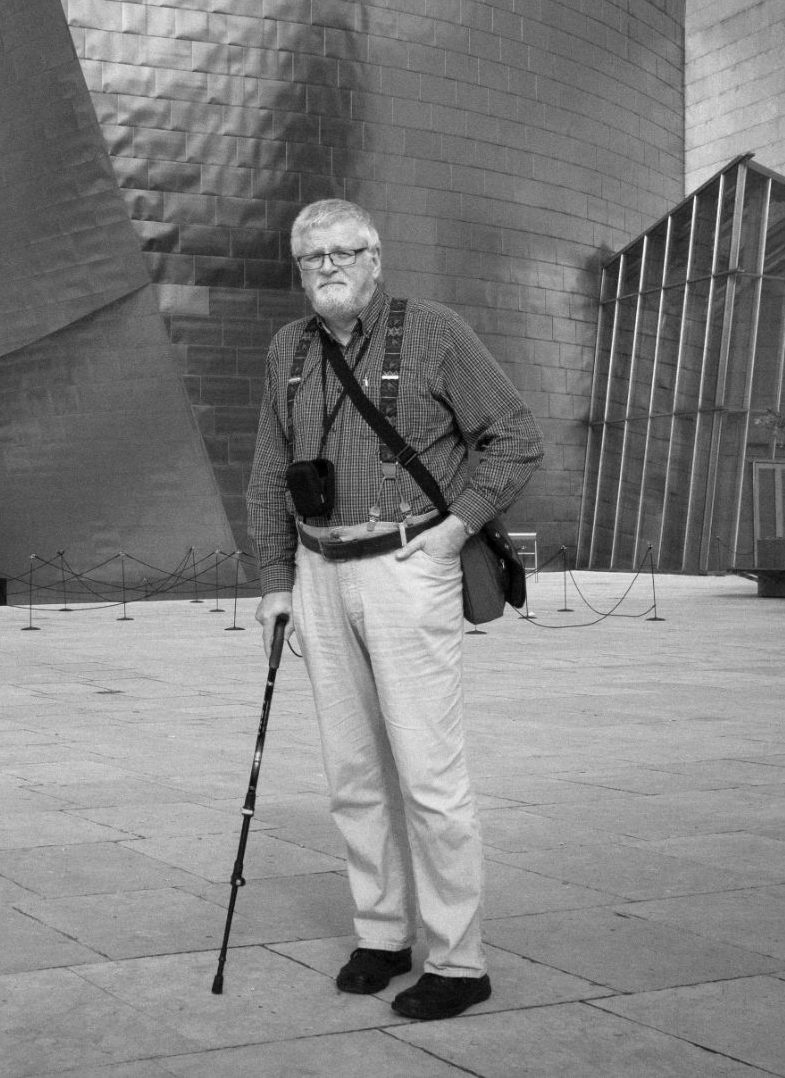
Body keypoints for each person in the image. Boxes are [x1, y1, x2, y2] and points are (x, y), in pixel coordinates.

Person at [246, 199, 542, 1022]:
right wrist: (275, 580)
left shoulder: (434, 331)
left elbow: (516, 435)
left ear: (376, 258)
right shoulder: (288, 349)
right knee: (352, 774)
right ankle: (382, 934)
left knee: (429, 774)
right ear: (300, 270)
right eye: (313, 258)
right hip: (317, 569)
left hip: (409, 565)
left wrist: (452, 533)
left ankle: (458, 958)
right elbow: (270, 470)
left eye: (345, 252)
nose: (330, 268)